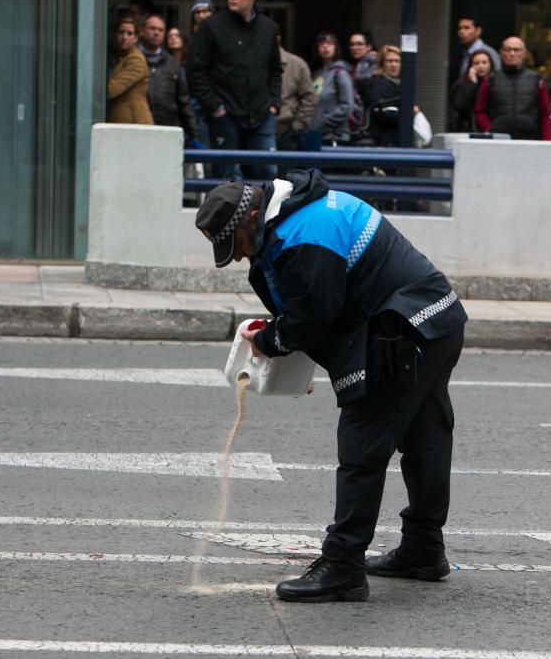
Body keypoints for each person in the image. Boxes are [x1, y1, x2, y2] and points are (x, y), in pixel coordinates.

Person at [194, 168, 467, 603]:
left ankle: (342, 566)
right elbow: (326, 309)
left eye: (238, 246)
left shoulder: (304, 237)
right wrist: (294, 359)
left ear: (249, 220)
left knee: (362, 443)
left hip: (402, 329)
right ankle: (423, 548)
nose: (242, 257)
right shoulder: (303, 209)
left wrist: (268, 344)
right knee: (424, 438)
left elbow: (314, 318)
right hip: (436, 317)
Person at [187, 0, 282, 180]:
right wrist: (214, 107)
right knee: (229, 177)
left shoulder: (268, 28)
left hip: (261, 113)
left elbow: (275, 69)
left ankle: (265, 213)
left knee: (268, 172)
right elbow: (195, 71)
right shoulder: (211, 26)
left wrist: (274, 103)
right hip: (225, 114)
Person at [138, 14, 201, 143]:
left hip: (167, 129)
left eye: (160, 30)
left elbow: (183, 101)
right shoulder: (133, 59)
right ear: (142, 31)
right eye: (152, 28)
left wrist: (194, 135)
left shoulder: (172, 64)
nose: (156, 33)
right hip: (138, 128)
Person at [473, 36, 551, 140]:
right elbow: (479, 110)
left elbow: (545, 113)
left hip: (530, 139)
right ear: (501, 53)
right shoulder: (490, 79)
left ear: (524, 54)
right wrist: (488, 129)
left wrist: (546, 140)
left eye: (516, 50)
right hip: (499, 139)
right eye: (508, 50)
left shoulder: (537, 80)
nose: (512, 54)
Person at [275, 28, 317, 151]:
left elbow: (310, 97)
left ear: (278, 39)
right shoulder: (254, 62)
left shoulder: (297, 64)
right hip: (255, 129)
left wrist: (297, 126)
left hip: (286, 130)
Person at [310, 32, 354, 146]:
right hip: (316, 134)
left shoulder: (340, 72)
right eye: (322, 44)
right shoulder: (316, 74)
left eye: (329, 43)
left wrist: (324, 121)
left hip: (334, 136)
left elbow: (347, 105)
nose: (325, 46)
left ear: (336, 48)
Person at [107, 17, 154, 124]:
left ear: (136, 37)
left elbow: (112, 89)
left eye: (129, 33)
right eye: (121, 32)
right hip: (123, 120)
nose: (124, 37)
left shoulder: (135, 59)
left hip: (134, 121)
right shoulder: (119, 56)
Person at [358, 44, 402, 147]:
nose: (394, 64)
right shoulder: (376, 84)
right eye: (390, 61)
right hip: (382, 142)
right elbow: (383, 113)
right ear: (382, 64)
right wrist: (408, 114)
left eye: (397, 61)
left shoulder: (401, 85)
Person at [448, 49, 494, 132]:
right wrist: (472, 83)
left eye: (484, 63)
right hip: (468, 129)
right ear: (471, 66)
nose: (480, 66)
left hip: (489, 127)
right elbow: (460, 105)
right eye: (476, 63)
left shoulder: (495, 82)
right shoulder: (463, 83)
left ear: (490, 65)